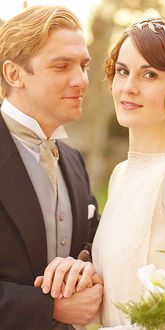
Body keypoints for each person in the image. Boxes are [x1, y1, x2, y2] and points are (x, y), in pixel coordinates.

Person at [35, 18, 165, 329]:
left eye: (150, 74)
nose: (129, 87)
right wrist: (84, 277)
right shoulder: (121, 174)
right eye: (123, 71)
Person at [0, 5, 103, 330]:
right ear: (13, 74)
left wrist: (85, 268)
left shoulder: (73, 160)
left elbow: (91, 246)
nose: (81, 80)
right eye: (61, 66)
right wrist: (50, 308)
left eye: (84, 66)